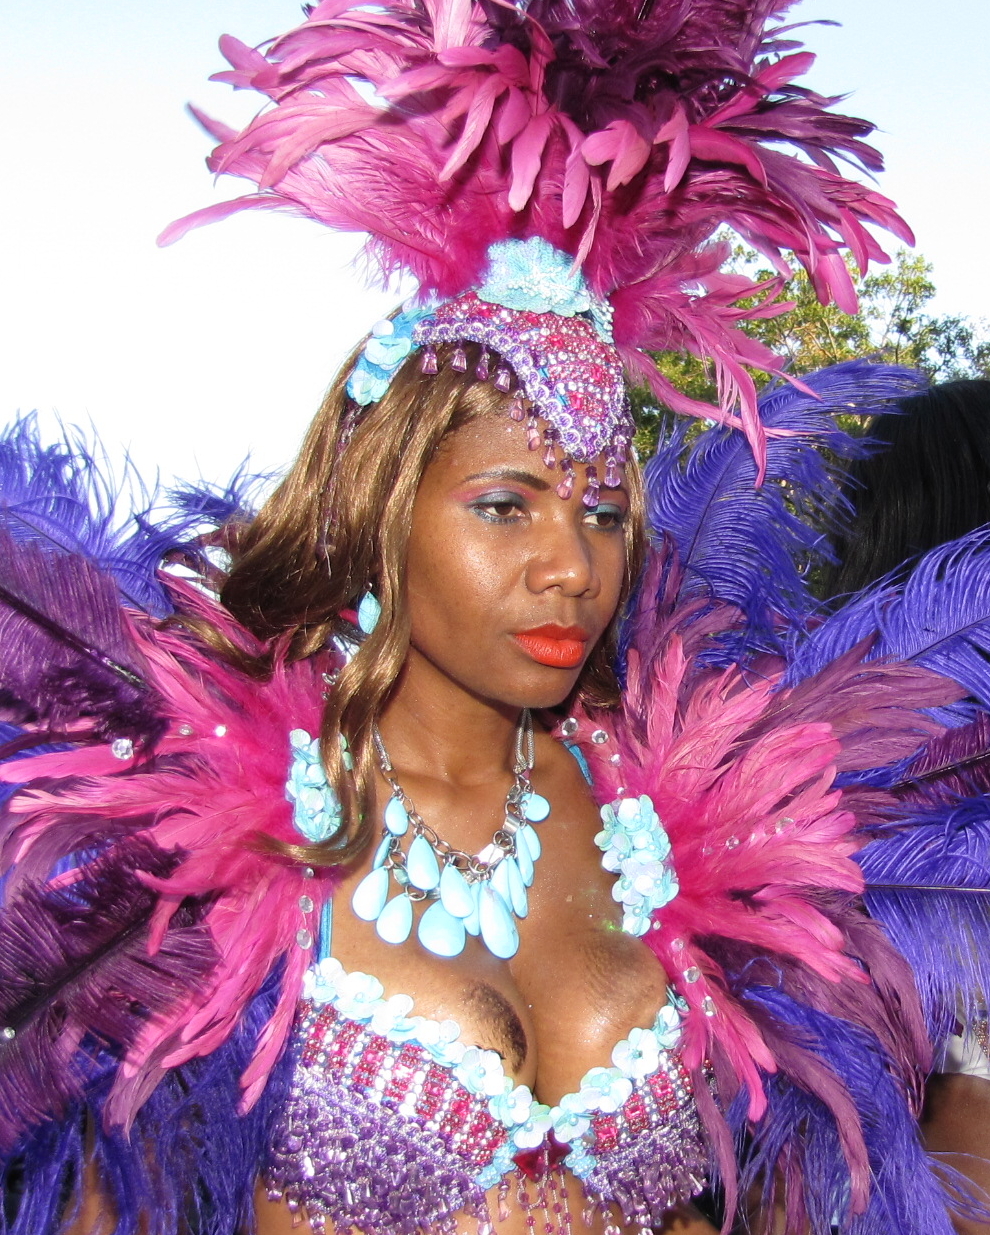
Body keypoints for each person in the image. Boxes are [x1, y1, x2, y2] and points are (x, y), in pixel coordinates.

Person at [0, 3, 985, 1234]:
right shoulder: (209, 837)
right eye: (506, 505)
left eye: (608, 514)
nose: (572, 564)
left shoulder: (674, 822)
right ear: (378, 509)